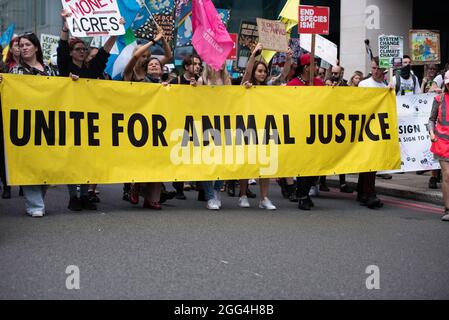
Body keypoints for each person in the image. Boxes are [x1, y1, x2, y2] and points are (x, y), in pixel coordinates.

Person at [58, 10, 124, 211]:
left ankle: (85, 195)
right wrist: (65, 28)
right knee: (72, 159)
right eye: (78, 49)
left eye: (84, 49)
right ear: (71, 52)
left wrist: (115, 31)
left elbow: (103, 53)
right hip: (70, 117)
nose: (81, 52)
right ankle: (73, 197)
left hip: (90, 119)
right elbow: (61, 48)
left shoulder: (92, 70)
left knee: (86, 159)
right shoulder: (64, 68)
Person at [0, 32, 57, 217]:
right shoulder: (14, 71)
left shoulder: (50, 69)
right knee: (29, 163)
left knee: (47, 164)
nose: (24, 48)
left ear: (36, 47)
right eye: (21, 45)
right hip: (26, 123)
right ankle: (35, 203)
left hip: (48, 122)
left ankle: (38, 197)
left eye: (27, 45)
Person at [124, 27, 168, 210]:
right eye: (144, 56)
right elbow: (134, 58)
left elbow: (168, 55)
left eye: (148, 56)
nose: (146, 58)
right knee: (142, 161)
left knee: (158, 161)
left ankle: (152, 199)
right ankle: (136, 187)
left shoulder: (154, 77)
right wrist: (153, 41)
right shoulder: (130, 74)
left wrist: (163, 39)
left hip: (157, 122)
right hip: (138, 122)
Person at [238, 43, 277, 211]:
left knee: (266, 163)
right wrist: (253, 55)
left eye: (264, 71)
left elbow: (282, 75)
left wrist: (289, 58)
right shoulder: (246, 85)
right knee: (246, 162)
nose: (263, 74)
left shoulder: (268, 88)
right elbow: (246, 73)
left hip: (265, 130)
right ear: (254, 72)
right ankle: (243, 195)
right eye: (259, 71)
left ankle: (264, 198)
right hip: (247, 128)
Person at [356, 57, 386, 209]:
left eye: (377, 68)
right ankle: (369, 193)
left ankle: (362, 192)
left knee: (371, 162)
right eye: (373, 68)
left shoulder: (385, 86)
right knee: (369, 162)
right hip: (365, 127)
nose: (375, 71)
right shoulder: (364, 83)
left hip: (378, 128)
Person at [428, 70, 449, 222]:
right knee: (447, 175)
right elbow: (431, 119)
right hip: (442, 142)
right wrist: (431, 133)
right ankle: (447, 208)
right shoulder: (439, 99)